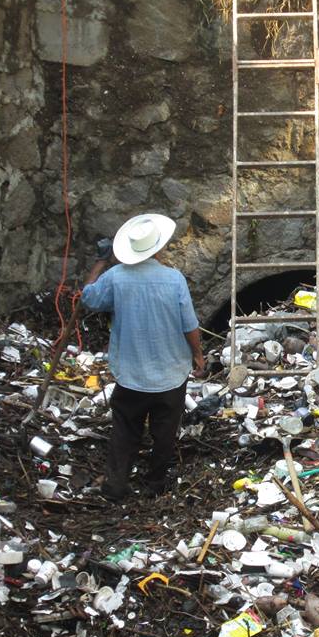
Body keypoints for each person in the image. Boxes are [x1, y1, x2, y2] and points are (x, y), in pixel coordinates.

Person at [81, 213, 205, 501]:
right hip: (169, 375)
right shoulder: (174, 280)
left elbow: (88, 297)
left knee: (124, 431)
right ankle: (154, 485)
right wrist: (197, 356)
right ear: (158, 248)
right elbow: (190, 326)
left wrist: (101, 260)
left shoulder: (116, 277)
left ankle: (115, 485)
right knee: (164, 433)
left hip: (131, 374)